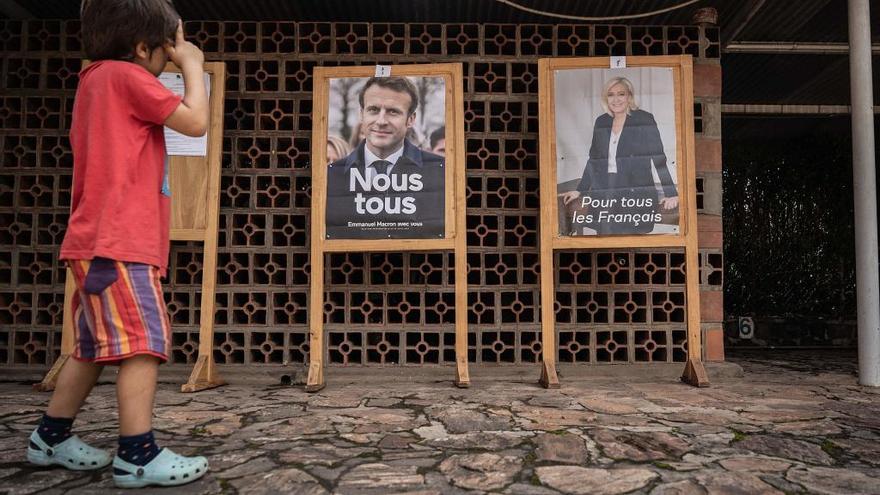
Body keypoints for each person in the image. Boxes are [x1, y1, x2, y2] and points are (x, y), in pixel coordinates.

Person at [26, 0, 209, 488]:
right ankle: (138, 453)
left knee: (93, 348)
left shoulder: (94, 79)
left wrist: (168, 41)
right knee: (144, 344)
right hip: (120, 242)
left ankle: (51, 437)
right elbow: (196, 122)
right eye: (164, 51)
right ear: (142, 47)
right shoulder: (127, 77)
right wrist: (193, 67)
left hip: (96, 240)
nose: (169, 59)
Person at [326, 76, 445, 239]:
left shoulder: (440, 172)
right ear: (361, 114)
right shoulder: (331, 176)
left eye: (393, 111)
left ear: (410, 119)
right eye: (373, 110)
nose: (381, 121)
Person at [560, 76, 678, 235]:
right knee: (604, 235)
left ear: (629, 96)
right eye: (611, 94)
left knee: (631, 238)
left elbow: (658, 158)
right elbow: (594, 160)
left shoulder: (644, 119)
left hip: (634, 191)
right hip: (604, 189)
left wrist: (671, 193)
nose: (616, 99)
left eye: (621, 94)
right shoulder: (601, 122)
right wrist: (580, 190)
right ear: (606, 98)